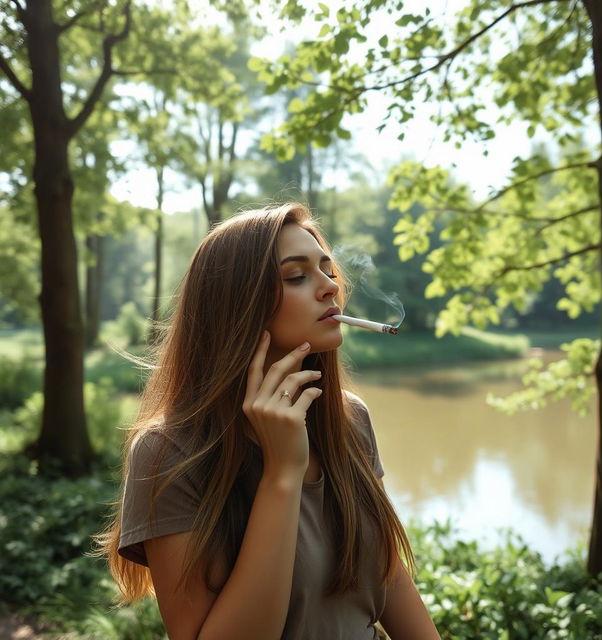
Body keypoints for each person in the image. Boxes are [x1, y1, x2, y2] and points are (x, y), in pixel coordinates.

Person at [97, 203, 441, 640]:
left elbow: (390, 580)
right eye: (296, 276)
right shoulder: (169, 451)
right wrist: (282, 475)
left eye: (327, 270)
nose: (329, 288)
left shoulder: (349, 419)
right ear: (239, 307)